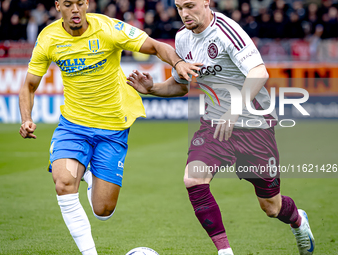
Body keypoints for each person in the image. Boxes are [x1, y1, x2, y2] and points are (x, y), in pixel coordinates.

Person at [126, 0, 315, 254]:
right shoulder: (182, 38)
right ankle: (225, 252)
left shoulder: (227, 30)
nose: (184, 13)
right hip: (215, 123)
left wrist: (235, 108)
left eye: (190, 6)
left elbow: (259, 72)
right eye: (179, 7)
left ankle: (298, 221)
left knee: (271, 206)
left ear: (206, 2)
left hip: (254, 125)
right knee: (193, 179)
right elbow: (181, 85)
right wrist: (152, 89)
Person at [18, 0, 201, 254]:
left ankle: (90, 175)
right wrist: (26, 117)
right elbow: (29, 84)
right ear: (57, 5)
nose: (75, 10)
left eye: (80, 3)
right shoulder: (48, 38)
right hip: (74, 126)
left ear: (87, 4)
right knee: (63, 183)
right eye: (68, 4)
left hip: (113, 128)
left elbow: (156, 46)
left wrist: (178, 63)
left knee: (103, 211)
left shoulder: (108, 29)